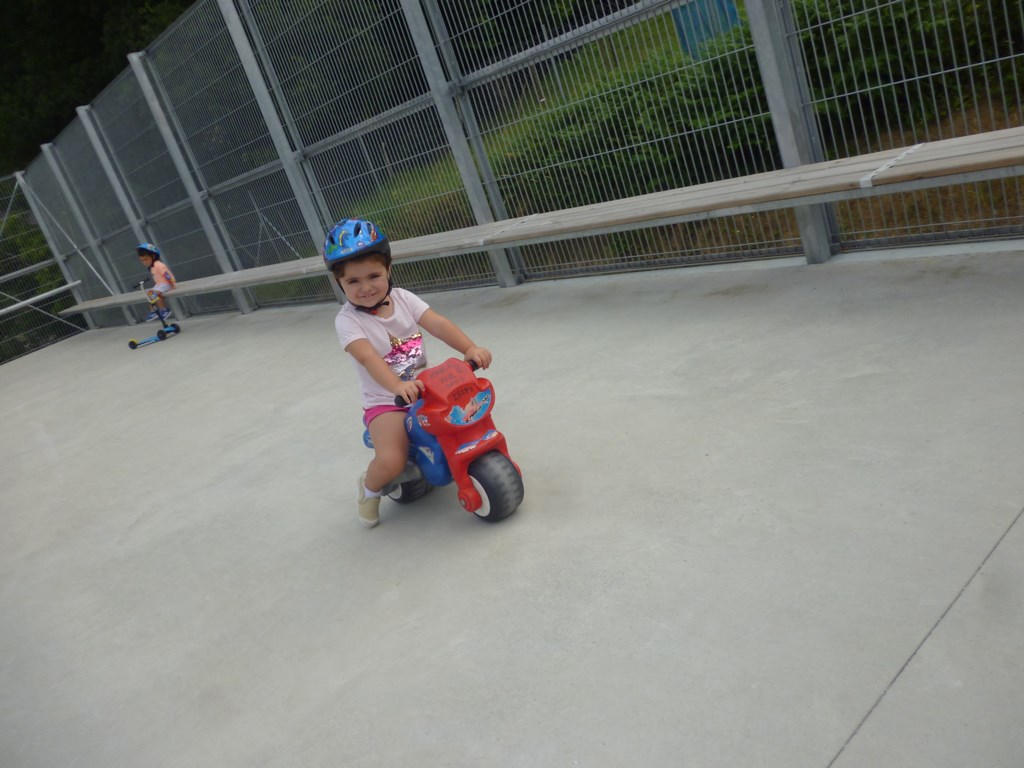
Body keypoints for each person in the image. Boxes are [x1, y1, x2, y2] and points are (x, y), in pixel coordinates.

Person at [327, 218, 492, 528]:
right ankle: (369, 488)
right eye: (353, 281)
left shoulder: (403, 298)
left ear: (388, 269)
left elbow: (437, 324)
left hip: (424, 389)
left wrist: (469, 348)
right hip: (385, 401)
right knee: (392, 460)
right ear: (339, 283)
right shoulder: (348, 321)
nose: (366, 288)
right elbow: (368, 358)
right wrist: (395, 387)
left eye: (374, 276)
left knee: (464, 417)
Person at [136, 243, 175, 322]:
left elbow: (166, 275)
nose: (144, 262)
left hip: (167, 283)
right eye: (142, 260)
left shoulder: (158, 265)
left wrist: (171, 284)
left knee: (153, 293)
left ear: (153, 256)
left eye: (146, 259)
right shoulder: (152, 266)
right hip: (161, 284)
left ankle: (164, 310)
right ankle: (153, 311)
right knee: (149, 293)